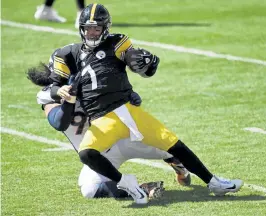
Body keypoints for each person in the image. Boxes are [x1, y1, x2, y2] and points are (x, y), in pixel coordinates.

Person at [48, 3, 243, 204]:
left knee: (174, 145)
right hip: (103, 120)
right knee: (87, 153)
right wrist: (60, 91)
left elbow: (135, 62)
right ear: (81, 28)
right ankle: (126, 182)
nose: (91, 32)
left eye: (96, 28)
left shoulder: (116, 42)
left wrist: (145, 63)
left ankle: (213, 182)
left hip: (128, 111)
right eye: (88, 28)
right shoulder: (68, 53)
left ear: (105, 29)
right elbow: (53, 86)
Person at [26, 62, 191, 199]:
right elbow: (59, 123)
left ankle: (177, 163)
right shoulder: (49, 98)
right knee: (89, 190)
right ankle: (143, 188)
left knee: (167, 147)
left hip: (124, 139)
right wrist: (70, 98)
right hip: (99, 155)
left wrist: (130, 95)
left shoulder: (94, 83)